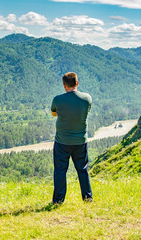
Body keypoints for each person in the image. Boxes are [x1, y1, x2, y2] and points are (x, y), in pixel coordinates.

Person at [51, 72, 93, 203]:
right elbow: (87, 111)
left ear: (64, 85)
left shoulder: (57, 99)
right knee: (83, 169)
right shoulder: (87, 98)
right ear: (77, 83)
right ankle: (87, 198)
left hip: (62, 141)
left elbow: (54, 114)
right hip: (80, 141)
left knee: (60, 171)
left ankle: (58, 200)